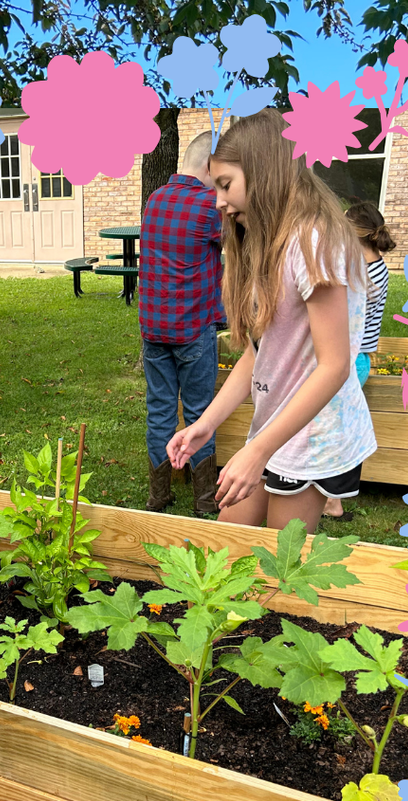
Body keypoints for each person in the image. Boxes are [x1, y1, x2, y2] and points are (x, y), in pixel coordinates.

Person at [167, 109, 378, 536]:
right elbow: (258, 353)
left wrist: (258, 451)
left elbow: (335, 365)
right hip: (274, 427)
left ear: (264, 172)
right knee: (228, 542)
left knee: (278, 566)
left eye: (226, 185)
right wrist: (206, 423)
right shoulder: (268, 244)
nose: (218, 201)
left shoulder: (315, 241)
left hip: (312, 434)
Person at [139, 131, 226, 516]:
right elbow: (243, 241)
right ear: (210, 167)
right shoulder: (209, 206)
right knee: (200, 413)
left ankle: (158, 496)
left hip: (154, 329)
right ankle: (205, 501)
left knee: (159, 410)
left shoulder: (155, 199)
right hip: (193, 328)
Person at [322, 201, 396, 522]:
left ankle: (332, 502)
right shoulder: (374, 267)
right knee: (335, 428)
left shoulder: (362, 275)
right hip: (356, 359)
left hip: (349, 361)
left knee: (334, 430)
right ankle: (329, 499)